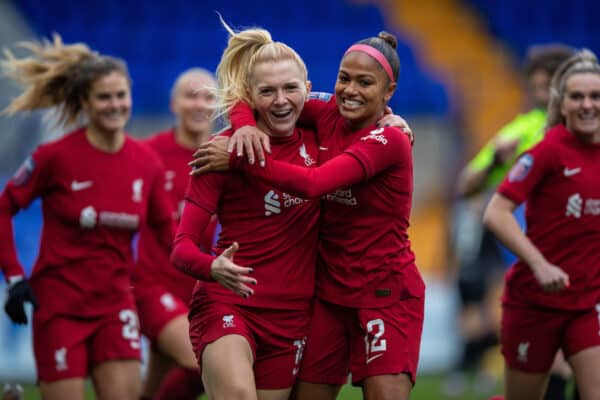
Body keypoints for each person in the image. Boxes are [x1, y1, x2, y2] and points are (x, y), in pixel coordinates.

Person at [192, 30, 425, 400]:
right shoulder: (327, 110)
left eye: (365, 82)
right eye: (344, 78)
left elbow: (315, 183)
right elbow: (257, 97)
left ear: (389, 92)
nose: (350, 90)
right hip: (329, 294)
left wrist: (242, 158)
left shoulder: (390, 139)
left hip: (383, 292)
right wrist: (245, 127)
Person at [0, 34, 174, 400]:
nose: (115, 105)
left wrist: (207, 267)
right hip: (60, 309)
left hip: (116, 305)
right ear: (84, 103)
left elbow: (169, 232)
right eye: (104, 97)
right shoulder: (55, 157)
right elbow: (5, 206)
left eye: (120, 95)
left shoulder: (146, 163)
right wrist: (15, 276)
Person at [170, 21, 321, 400]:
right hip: (230, 302)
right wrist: (213, 267)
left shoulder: (325, 137)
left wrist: (390, 119)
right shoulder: (220, 153)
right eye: (267, 91)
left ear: (307, 88)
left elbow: (361, 107)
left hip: (291, 317)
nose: (281, 100)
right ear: (250, 96)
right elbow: (182, 247)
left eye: (290, 88)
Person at [453, 44, 577, 400]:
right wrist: (495, 163)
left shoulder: (587, 125)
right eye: (535, 87)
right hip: (542, 261)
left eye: (547, 87)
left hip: (585, 254)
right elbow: (466, 185)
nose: (540, 96)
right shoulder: (522, 130)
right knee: (559, 355)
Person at [482, 49, 600, 400]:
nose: (586, 105)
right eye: (576, 97)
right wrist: (540, 265)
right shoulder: (547, 151)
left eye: (595, 96)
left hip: (584, 303)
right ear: (561, 105)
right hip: (534, 303)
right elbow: (496, 212)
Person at [131, 68, 217, 400]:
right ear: (173, 104)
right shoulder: (147, 153)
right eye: (190, 95)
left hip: (198, 290)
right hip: (154, 286)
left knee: (153, 388)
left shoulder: (221, 157)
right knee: (203, 361)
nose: (198, 103)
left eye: (208, 96)